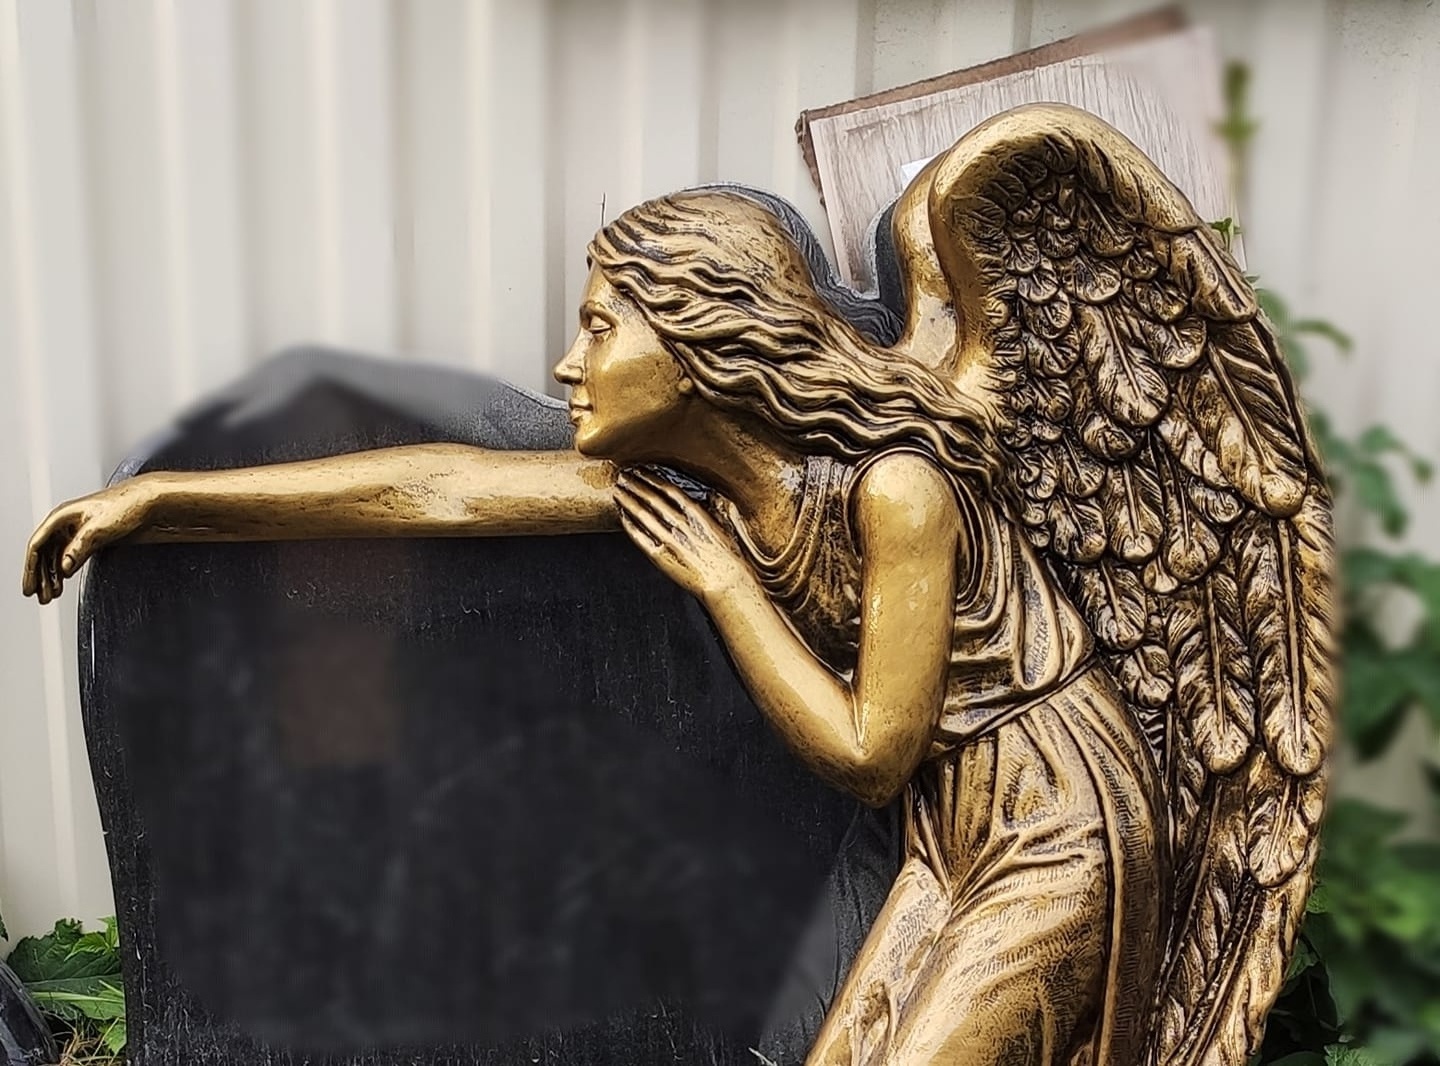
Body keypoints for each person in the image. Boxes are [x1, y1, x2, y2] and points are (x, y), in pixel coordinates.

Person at [24, 188, 1164, 1066]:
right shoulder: (699, 483)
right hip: (956, 833)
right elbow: (451, 488)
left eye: (602, 327)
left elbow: (872, 757)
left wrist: (726, 587)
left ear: (701, 342)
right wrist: (169, 500)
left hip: (1058, 826)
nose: (571, 363)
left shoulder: (892, 491)